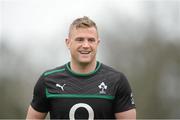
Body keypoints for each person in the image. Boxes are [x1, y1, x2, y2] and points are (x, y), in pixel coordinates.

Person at [26, 16, 136, 119]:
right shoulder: (48, 80)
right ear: (68, 43)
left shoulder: (116, 80)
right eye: (80, 40)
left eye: (91, 40)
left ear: (98, 43)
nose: (86, 45)